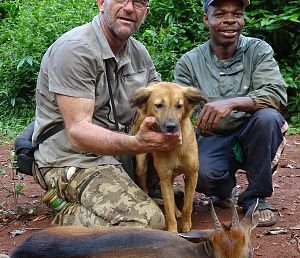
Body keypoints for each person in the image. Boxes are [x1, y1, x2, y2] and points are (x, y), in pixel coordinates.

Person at [32, 0, 182, 229]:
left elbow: (162, 102)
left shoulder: (138, 52)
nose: (130, 8)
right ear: (101, 3)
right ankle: (66, 211)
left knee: (188, 144)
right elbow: (78, 132)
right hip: (74, 157)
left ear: (146, 13)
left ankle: (135, 186)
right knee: (146, 223)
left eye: (139, 3)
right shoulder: (75, 49)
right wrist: (137, 143)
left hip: (119, 151)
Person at [174, 0, 288, 226]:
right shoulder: (189, 62)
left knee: (268, 118)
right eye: (220, 14)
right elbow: (179, 110)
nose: (229, 20)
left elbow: (277, 95)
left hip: (253, 132)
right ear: (207, 19)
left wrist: (232, 103)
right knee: (202, 172)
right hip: (214, 136)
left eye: (237, 14)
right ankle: (224, 191)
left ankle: (256, 198)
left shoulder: (258, 50)